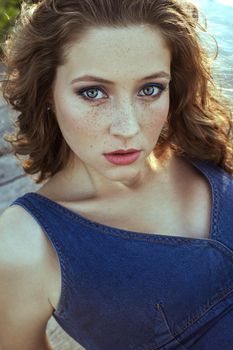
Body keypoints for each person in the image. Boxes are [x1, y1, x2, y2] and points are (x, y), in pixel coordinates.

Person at [0, 0, 233, 349]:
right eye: (93, 92)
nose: (128, 127)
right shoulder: (25, 244)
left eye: (150, 89)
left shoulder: (203, 146)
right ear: (48, 91)